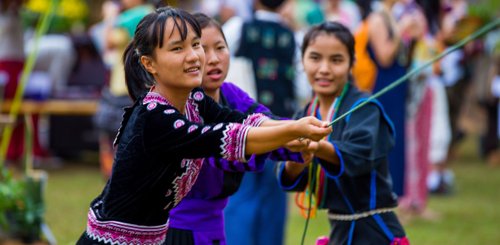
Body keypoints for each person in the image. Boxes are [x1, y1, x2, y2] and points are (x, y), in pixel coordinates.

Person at [76, 7, 332, 245]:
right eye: (178, 49)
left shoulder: (195, 100)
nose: (197, 57)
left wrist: (294, 131)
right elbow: (221, 138)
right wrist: (294, 130)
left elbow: (241, 120)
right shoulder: (154, 117)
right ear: (149, 63)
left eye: (195, 45)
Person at [164, 13, 306, 245]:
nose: (213, 59)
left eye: (220, 48)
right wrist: (289, 133)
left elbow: (263, 120)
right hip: (175, 233)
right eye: (202, 49)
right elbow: (221, 150)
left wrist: (298, 135)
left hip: (213, 230)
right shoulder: (178, 105)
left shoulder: (230, 94)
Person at [277, 22, 408, 245]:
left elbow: (359, 155)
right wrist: (299, 156)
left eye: (336, 60)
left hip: (375, 229)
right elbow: (290, 174)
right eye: (315, 58)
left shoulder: (364, 107)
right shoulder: (306, 113)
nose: (325, 69)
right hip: (338, 229)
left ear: (351, 63)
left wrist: (317, 146)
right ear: (302, 61)